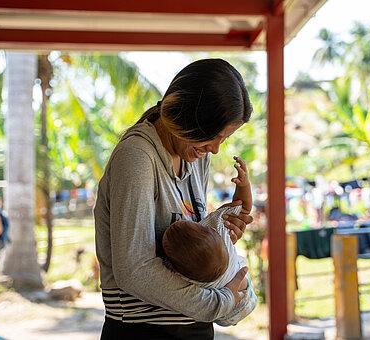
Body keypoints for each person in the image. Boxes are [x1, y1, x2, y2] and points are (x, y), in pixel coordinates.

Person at [94, 58, 254, 339]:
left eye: (224, 139)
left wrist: (214, 243)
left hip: (193, 328)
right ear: (185, 117)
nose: (215, 150)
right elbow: (134, 271)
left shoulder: (194, 156)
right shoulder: (137, 158)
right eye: (211, 136)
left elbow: (182, 253)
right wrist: (221, 302)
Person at [162, 156, 257, 327]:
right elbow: (242, 207)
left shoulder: (185, 275)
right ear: (212, 230)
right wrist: (244, 185)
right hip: (242, 294)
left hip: (224, 313)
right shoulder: (220, 234)